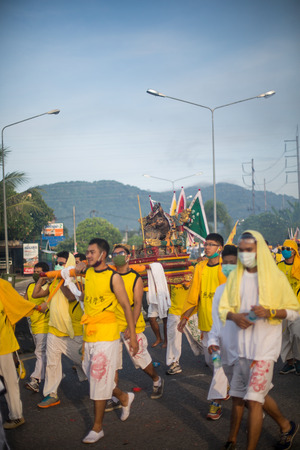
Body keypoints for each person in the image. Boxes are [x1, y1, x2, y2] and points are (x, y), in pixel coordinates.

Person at [219, 231, 300, 450]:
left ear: (260, 251)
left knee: (254, 400)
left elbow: (294, 311)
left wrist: (270, 311)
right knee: (243, 397)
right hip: (242, 351)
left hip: (264, 351)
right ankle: (284, 426)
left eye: (249, 250)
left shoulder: (275, 278)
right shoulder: (236, 278)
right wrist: (234, 316)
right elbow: (223, 309)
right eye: (241, 250)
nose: (244, 254)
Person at [75, 238, 139, 444]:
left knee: (98, 378)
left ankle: (97, 427)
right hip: (90, 333)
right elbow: (79, 269)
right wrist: (81, 267)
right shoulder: (89, 272)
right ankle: (123, 397)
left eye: (92, 252)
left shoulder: (114, 277)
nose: (88, 255)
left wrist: (133, 335)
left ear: (103, 255)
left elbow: (127, 306)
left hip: (108, 334)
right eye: (87, 252)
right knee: (93, 375)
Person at [178, 232, 227, 420]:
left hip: (224, 325)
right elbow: (194, 293)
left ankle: (216, 402)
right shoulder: (200, 267)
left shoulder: (226, 268)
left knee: (218, 364)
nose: (206, 247)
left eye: (211, 244)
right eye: (205, 244)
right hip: (206, 324)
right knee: (211, 362)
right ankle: (230, 386)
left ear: (219, 248)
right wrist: (186, 315)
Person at [110, 244, 164, 405]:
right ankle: (115, 396)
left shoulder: (135, 278)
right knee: (113, 363)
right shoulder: (110, 276)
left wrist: (131, 327)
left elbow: (138, 304)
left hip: (131, 324)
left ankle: (156, 379)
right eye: (114, 254)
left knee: (140, 358)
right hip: (112, 325)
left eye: (121, 253)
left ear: (128, 257)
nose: (117, 255)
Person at [32, 251, 86, 408]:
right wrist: (42, 278)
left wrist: (62, 278)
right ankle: (51, 394)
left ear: (68, 264)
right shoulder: (55, 280)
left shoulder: (76, 279)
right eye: (57, 263)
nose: (58, 265)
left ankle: (107, 388)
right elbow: (36, 294)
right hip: (54, 329)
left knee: (85, 363)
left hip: (73, 331)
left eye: (62, 263)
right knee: (52, 363)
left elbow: (71, 297)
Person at [0, 278, 44, 429]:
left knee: (8, 381)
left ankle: (16, 416)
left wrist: (38, 307)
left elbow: (18, 305)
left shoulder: (2, 285)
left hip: (3, 344)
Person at [207, 245, 238, 419]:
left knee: (249, 389)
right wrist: (212, 340)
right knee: (217, 367)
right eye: (224, 263)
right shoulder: (220, 290)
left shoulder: (250, 288)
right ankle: (218, 400)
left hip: (243, 348)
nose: (227, 267)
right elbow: (216, 320)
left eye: (232, 263)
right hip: (220, 343)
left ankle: (217, 402)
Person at [24, 261, 50, 393]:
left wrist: (31, 306)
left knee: (39, 353)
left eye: (38, 272)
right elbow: (24, 301)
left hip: (44, 326)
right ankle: (52, 374)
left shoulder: (48, 288)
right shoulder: (30, 286)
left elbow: (44, 308)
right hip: (32, 325)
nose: (36, 274)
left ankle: (35, 380)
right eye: (34, 272)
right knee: (42, 353)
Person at [277, 239, 300, 375]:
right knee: (284, 336)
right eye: (283, 248)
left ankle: (298, 359)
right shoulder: (278, 267)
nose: (284, 251)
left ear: (294, 251)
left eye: (288, 248)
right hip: (282, 307)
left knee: (297, 334)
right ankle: (290, 362)